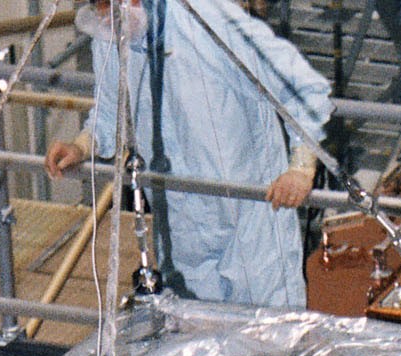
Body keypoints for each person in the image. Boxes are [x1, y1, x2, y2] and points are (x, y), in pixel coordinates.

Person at [45, 0, 331, 309]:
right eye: (99, 7)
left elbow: (302, 88)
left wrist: (301, 167)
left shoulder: (209, 18)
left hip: (251, 216)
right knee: (197, 335)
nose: (106, 17)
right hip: (181, 222)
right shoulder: (113, 33)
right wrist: (82, 145)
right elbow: (111, 109)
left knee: (269, 334)